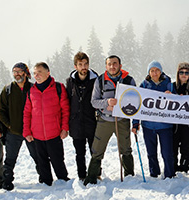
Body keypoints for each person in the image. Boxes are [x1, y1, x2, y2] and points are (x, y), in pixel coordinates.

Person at [84, 55, 136, 185]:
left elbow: (136, 100)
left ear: (120, 65)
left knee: (126, 149)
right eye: (109, 64)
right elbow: (94, 102)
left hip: (122, 121)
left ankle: (129, 176)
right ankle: (92, 177)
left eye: (115, 63)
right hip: (104, 120)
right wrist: (106, 103)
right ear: (106, 66)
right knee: (97, 149)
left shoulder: (129, 80)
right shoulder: (100, 80)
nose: (112, 66)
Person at [23, 62, 70, 186]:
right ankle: (46, 183)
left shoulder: (58, 88)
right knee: (41, 161)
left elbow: (65, 110)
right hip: (37, 134)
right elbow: (27, 113)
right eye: (34, 73)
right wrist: (26, 131)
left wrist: (65, 128)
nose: (36, 75)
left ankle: (63, 181)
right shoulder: (31, 92)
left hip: (54, 132)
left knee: (57, 160)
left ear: (48, 73)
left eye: (39, 72)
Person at [0, 62, 41, 191]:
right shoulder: (8, 90)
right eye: (14, 72)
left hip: (32, 131)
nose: (17, 74)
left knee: (38, 156)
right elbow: (1, 110)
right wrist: (9, 126)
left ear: (25, 73)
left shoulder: (34, 88)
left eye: (19, 71)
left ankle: (44, 178)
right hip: (14, 132)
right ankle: (7, 181)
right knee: (10, 159)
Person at [132, 61, 175, 179]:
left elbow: (178, 102)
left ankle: (169, 174)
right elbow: (138, 104)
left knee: (167, 153)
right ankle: (154, 172)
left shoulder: (169, 84)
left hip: (165, 125)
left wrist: (171, 95)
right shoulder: (144, 85)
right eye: (152, 71)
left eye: (157, 70)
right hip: (148, 125)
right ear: (149, 72)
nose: (155, 73)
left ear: (161, 71)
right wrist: (135, 123)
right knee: (151, 152)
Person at [66, 52, 99, 181]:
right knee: (79, 153)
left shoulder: (95, 80)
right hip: (76, 123)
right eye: (80, 64)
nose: (83, 67)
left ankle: (95, 173)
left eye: (85, 64)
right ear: (76, 66)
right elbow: (67, 101)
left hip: (92, 121)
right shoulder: (70, 82)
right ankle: (81, 175)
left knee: (94, 151)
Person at [172, 62, 189, 173]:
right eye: (181, 72)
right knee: (173, 148)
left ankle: (184, 168)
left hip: (188, 125)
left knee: (186, 148)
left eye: (186, 73)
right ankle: (173, 167)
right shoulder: (173, 86)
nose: (184, 75)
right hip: (174, 124)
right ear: (178, 74)